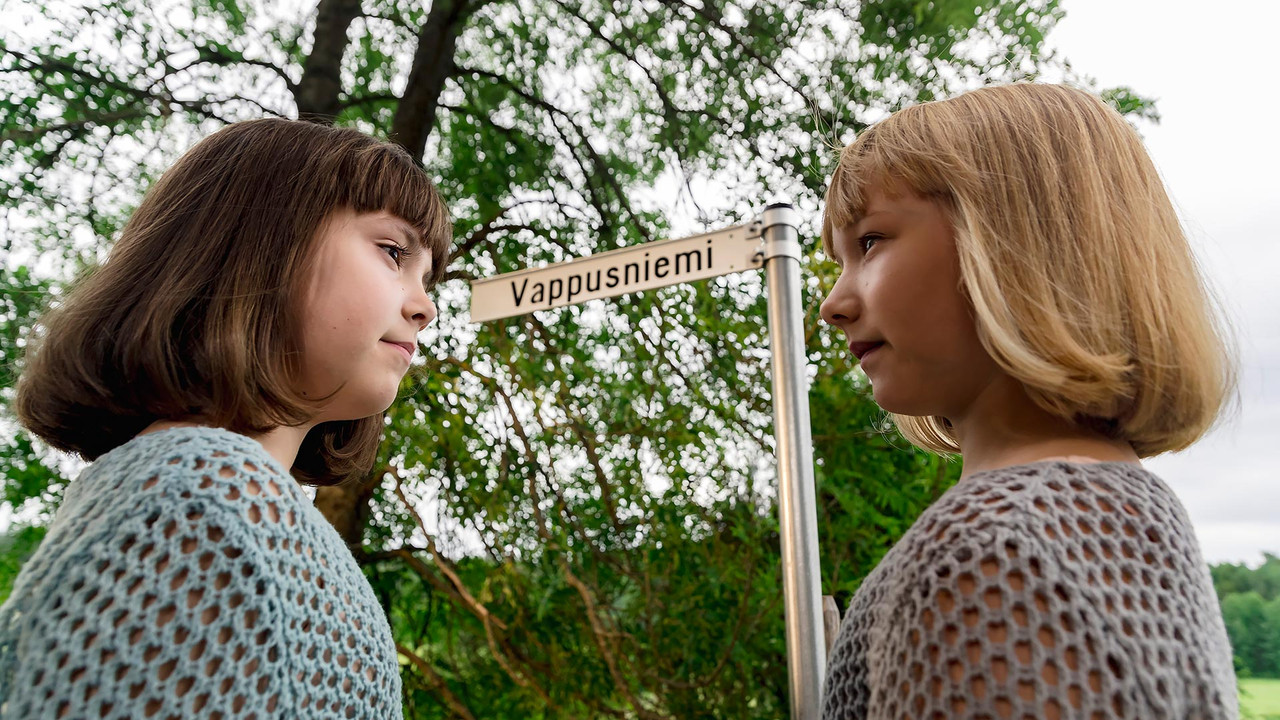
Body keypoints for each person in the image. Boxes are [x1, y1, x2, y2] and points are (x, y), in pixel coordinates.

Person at [0, 118, 451, 719]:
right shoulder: (201, 501)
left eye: (429, 278)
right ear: (259, 244)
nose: (426, 306)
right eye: (394, 252)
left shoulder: (242, 510)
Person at [818, 84, 1237, 720]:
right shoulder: (1109, 505)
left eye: (871, 241)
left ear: (1015, 244)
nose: (834, 304)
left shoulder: (995, 549)